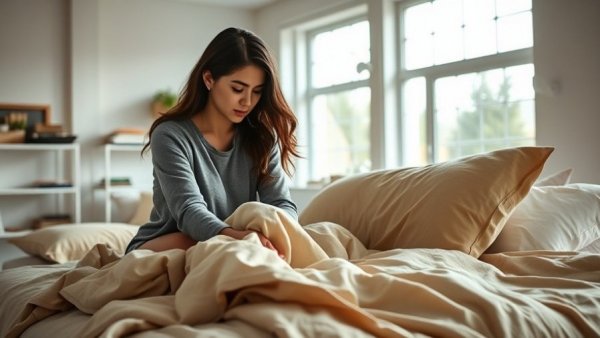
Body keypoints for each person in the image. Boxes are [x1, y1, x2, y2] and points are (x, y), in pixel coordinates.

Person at [125, 27, 300, 258]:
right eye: (237, 89)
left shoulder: (263, 139)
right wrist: (239, 238)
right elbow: (189, 211)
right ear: (209, 79)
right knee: (198, 244)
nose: (247, 101)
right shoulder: (170, 135)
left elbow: (281, 204)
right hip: (169, 240)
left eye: (257, 92)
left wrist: (275, 234)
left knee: (319, 233)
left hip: (235, 240)